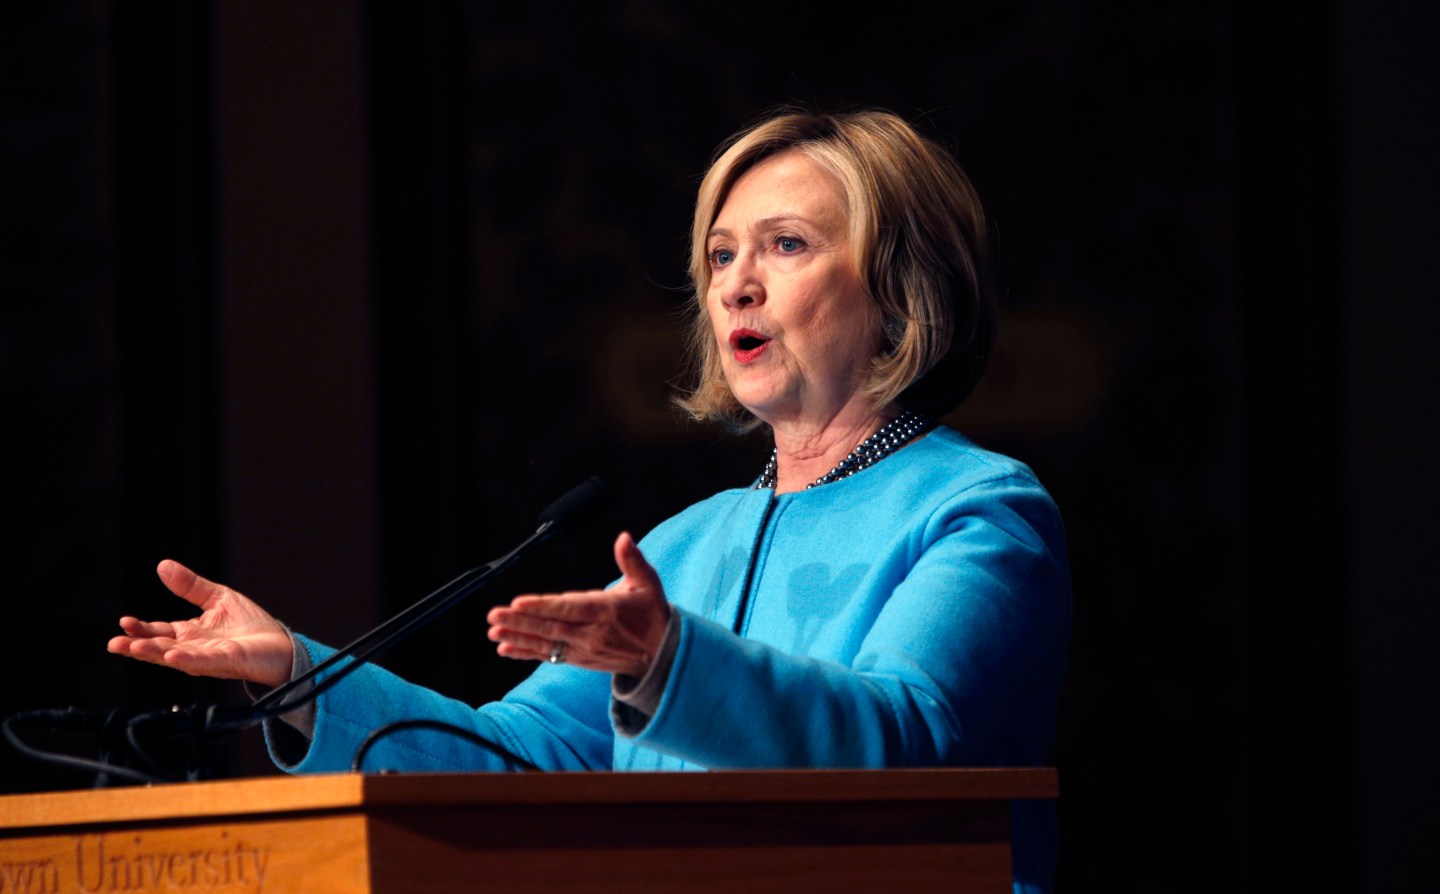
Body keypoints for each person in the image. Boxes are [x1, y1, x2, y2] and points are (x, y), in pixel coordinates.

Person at [108, 109, 1071, 894]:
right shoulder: (684, 546)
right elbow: (516, 760)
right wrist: (301, 676)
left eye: (785, 245)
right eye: (721, 254)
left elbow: (908, 745)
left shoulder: (978, 515)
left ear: (901, 292)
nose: (737, 284)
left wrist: (672, 662)